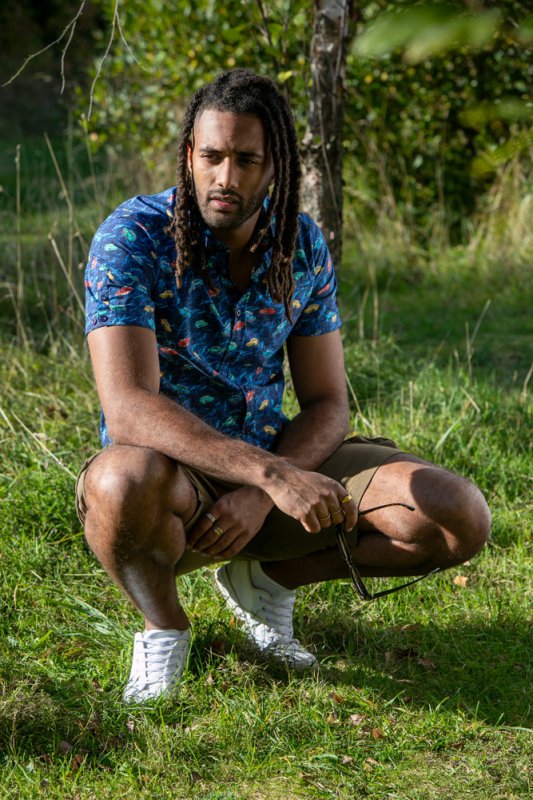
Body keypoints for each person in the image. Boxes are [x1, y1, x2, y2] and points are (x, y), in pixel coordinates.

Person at [77, 69, 491, 703]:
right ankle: (165, 626)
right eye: (211, 156)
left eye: (246, 160)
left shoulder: (301, 245)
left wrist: (266, 490)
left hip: (276, 463)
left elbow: (327, 402)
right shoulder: (132, 238)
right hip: (172, 481)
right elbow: (128, 408)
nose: (225, 177)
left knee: (457, 515)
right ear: (188, 154)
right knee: (117, 482)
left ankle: (268, 581)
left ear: (276, 167)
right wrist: (269, 477)